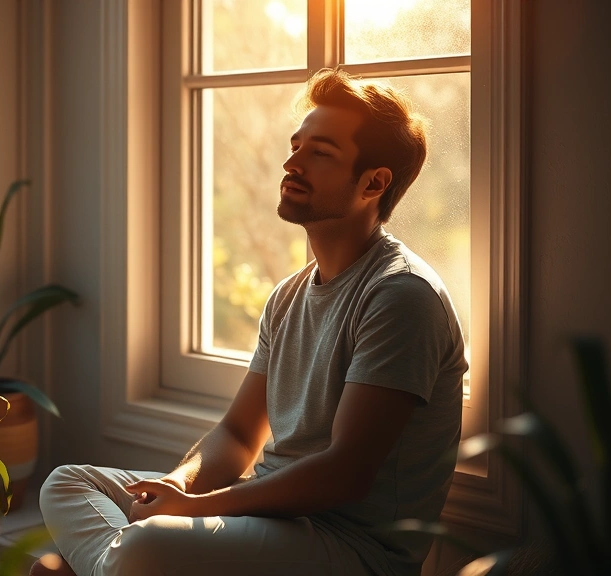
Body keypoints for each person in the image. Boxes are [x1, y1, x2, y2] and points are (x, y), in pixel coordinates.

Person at [31, 67, 468, 576]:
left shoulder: (401, 296)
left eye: (319, 152)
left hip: (350, 548)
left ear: (374, 182)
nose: (290, 163)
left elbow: (345, 474)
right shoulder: (288, 296)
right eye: (296, 145)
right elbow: (239, 433)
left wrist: (191, 514)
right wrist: (178, 487)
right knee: (67, 482)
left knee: (126, 553)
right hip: (267, 518)